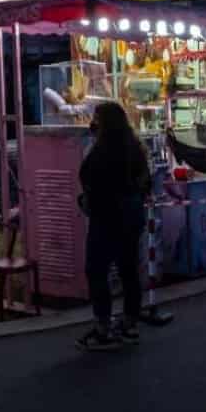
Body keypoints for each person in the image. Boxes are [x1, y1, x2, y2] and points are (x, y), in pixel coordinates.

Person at [75, 100, 150, 351]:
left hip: (107, 217)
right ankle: (129, 324)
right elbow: (145, 183)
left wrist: (86, 202)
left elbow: (93, 185)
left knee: (96, 269)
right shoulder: (134, 148)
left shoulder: (101, 153)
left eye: (97, 118)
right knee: (128, 269)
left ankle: (103, 327)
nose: (92, 123)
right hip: (132, 215)